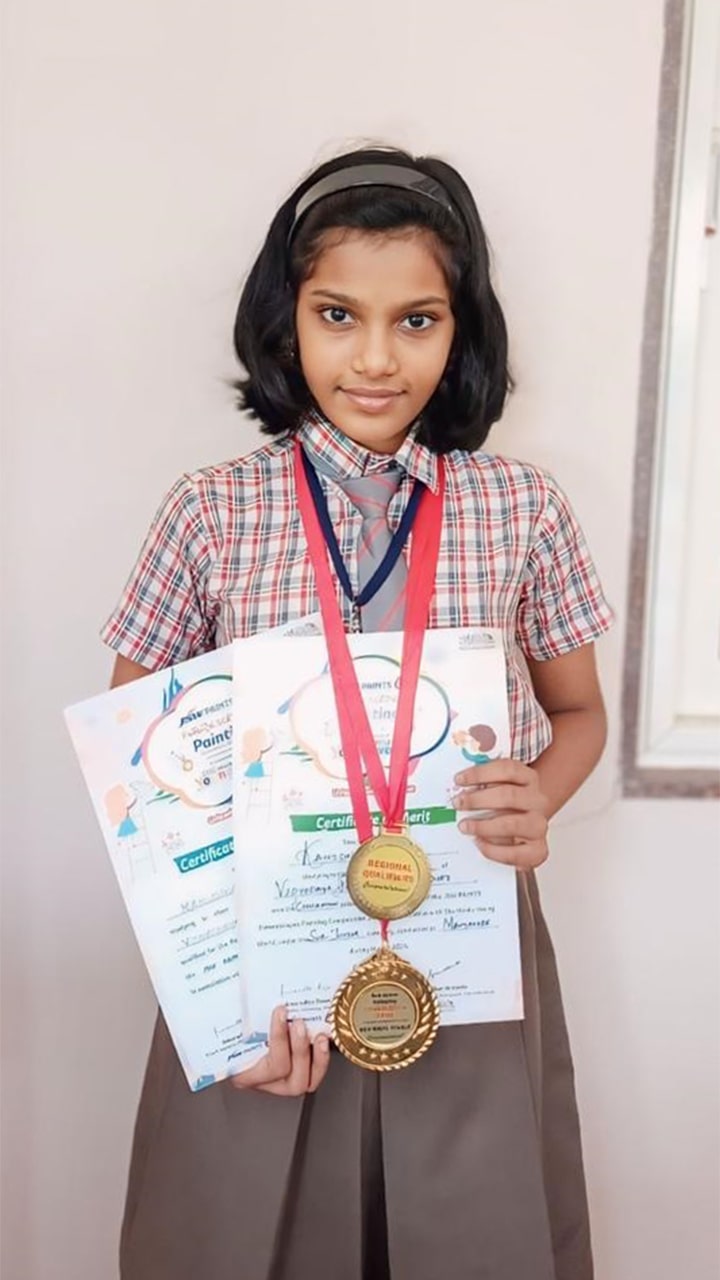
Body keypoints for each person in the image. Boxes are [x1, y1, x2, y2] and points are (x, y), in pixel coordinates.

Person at [103, 145, 613, 1280]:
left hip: (466, 936)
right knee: (245, 1233)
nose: (376, 358)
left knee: (474, 1233)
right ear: (286, 323)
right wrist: (222, 1008)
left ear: (461, 333)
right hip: (256, 953)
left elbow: (578, 713)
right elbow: (138, 776)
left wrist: (540, 795)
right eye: (338, 314)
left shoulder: (521, 507)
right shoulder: (211, 510)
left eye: (416, 320)